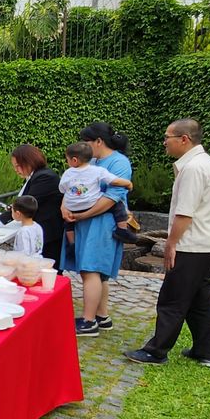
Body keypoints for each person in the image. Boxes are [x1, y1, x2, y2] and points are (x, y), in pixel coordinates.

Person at [125, 119, 210, 366]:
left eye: (168, 137)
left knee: (173, 298)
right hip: (207, 242)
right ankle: (205, 351)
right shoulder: (205, 163)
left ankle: (156, 351)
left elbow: (184, 214)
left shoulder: (193, 168)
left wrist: (171, 244)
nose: (164, 142)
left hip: (192, 244)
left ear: (184, 139)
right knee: (200, 298)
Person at [61, 122, 133, 337]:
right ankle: (102, 316)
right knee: (97, 274)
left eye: (86, 142)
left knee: (91, 269)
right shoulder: (91, 161)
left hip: (102, 222)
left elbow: (113, 197)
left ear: (98, 142)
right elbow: (72, 187)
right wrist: (65, 207)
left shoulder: (119, 163)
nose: (83, 146)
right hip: (85, 221)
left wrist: (83, 215)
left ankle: (88, 322)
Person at [0, 144, 63, 262]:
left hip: (48, 235)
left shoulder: (44, 177)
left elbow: (26, 204)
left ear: (29, 162)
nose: (16, 169)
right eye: (14, 166)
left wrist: (0, 220)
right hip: (41, 232)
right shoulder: (36, 176)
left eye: (18, 166)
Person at [58, 141, 133, 259]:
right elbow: (114, 181)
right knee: (118, 204)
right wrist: (128, 183)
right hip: (91, 203)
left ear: (74, 160)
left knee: (68, 223)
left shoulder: (68, 173)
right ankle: (122, 229)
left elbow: (62, 189)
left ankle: (72, 244)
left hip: (73, 208)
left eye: (67, 159)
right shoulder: (98, 170)